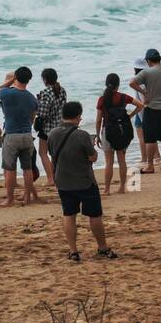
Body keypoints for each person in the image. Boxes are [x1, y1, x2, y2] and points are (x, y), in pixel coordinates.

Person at [48, 100, 117, 261]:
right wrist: (91, 144)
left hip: (63, 181)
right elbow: (92, 157)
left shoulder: (53, 133)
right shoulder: (82, 135)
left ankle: (73, 251)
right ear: (78, 117)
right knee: (94, 215)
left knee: (69, 215)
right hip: (85, 181)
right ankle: (102, 247)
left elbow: (52, 154)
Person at [0, 66, 40, 207]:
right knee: (27, 168)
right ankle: (27, 197)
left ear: (16, 78)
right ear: (29, 80)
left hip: (11, 135)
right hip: (27, 135)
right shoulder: (32, 98)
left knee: (10, 169)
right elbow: (32, 118)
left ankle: (10, 199)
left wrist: (9, 81)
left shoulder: (6, 93)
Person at [95, 73, 144, 194]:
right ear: (118, 85)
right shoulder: (123, 97)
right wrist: (130, 116)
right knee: (122, 160)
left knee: (109, 162)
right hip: (122, 130)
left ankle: (107, 189)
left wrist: (98, 135)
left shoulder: (102, 99)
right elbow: (140, 105)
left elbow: (98, 119)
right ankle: (122, 187)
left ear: (107, 84)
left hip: (108, 131)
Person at [131, 49, 161, 173]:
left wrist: (143, 92)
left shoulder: (146, 73)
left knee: (150, 139)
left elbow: (132, 83)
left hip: (151, 109)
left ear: (148, 60)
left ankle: (150, 166)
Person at [35, 68, 67, 187]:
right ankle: (58, 177)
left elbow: (43, 113)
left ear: (45, 80)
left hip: (48, 127)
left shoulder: (45, 92)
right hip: (61, 126)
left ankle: (50, 179)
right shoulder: (62, 90)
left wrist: (37, 103)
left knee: (42, 152)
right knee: (55, 154)